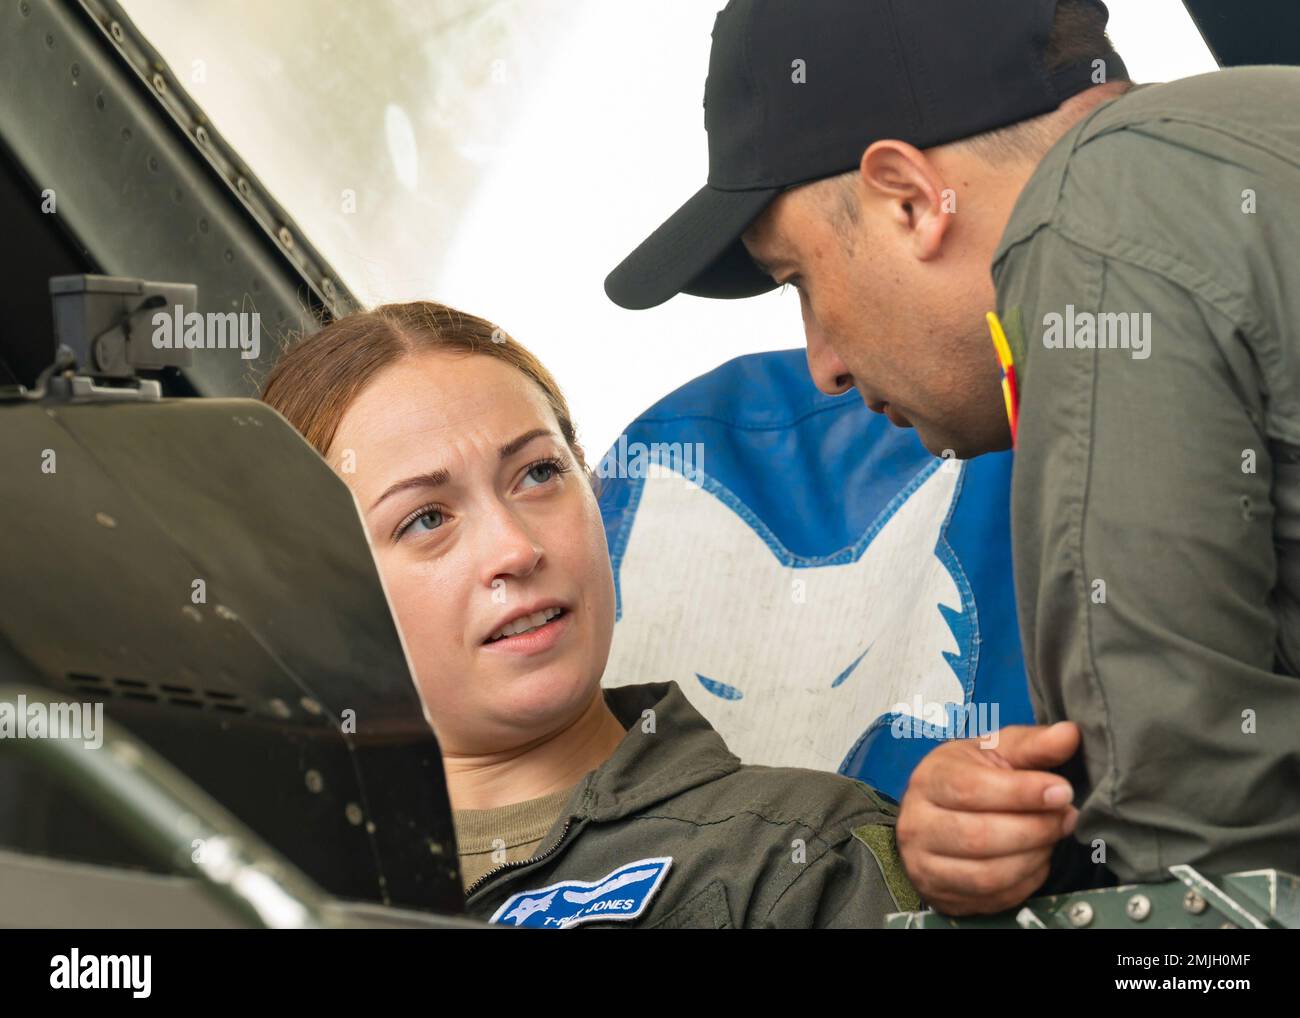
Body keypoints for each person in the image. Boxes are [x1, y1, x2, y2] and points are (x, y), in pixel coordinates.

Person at [603, 0, 1300, 915]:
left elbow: (1198, 878)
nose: (823, 364)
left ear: (908, 196)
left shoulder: (1088, 225)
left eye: (799, 281)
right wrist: (1028, 843)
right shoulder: (1252, 133)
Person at [259, 300, 918, 928]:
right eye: (427, 519)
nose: (516, 549)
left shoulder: (802, 858)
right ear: (319, 598)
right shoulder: (237, 876)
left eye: (538, 474)